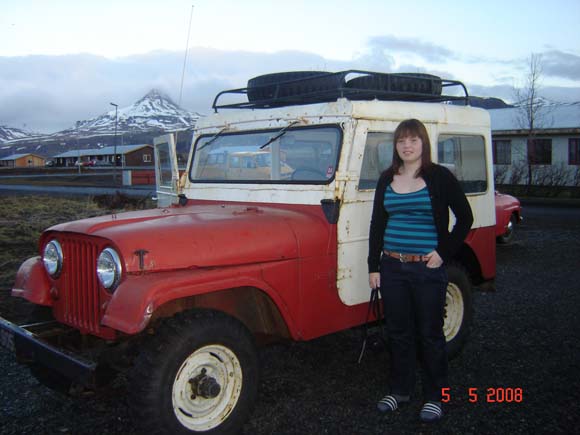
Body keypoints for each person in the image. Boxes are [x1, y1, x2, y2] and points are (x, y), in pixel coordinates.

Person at [367, 118, 473, 423]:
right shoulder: (387, 179)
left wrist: (443, 253)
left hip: (426, 269)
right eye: (401, 141)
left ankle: (435, 395)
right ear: (395, 146)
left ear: (423, 144)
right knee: (398, 332)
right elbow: (378, 224)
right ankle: (400, 390)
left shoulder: (439, 177)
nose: (407, 146)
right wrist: (374, 266)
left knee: (429, 333)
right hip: (392, 267)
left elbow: (464, 217)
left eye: (413, 140)